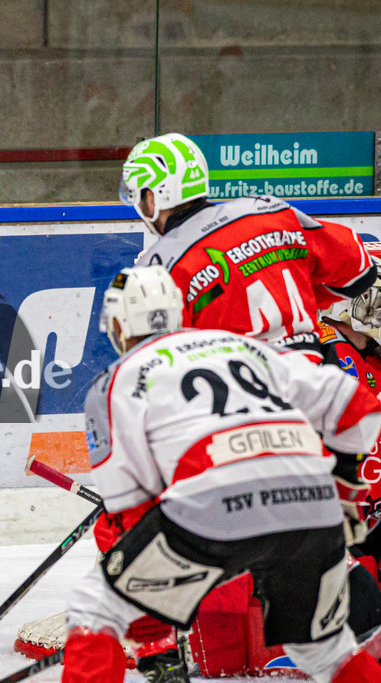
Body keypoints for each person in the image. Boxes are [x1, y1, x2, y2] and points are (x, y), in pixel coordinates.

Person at [59, 265, 381, 683]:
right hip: (313, 507)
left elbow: (127, 510)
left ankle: (152, 643)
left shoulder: (117, 380)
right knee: (323, 651)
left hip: (212, 506)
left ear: (118, 325)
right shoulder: (243, 346)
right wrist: (340, 491)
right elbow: (358, 408)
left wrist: (152, 607)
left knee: (95, 606)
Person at [123, 132, 376, 358]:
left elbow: (156, 366)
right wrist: (301, 292)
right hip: (312, 385)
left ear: (152, 199)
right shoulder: (268, 212)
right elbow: (361, 269)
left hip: (236, 400)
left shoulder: (158, 270)